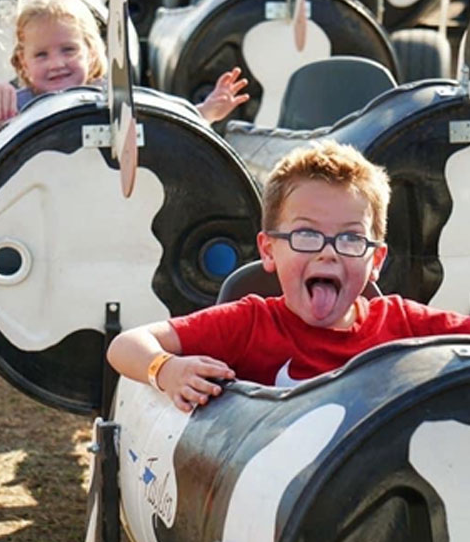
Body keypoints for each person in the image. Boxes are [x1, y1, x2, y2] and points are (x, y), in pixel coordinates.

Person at [107, 140, 470, 412]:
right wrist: (166, 370)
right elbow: (125, 346)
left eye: (351, 238)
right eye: (307, 235)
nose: (328, 251)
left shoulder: (403, 323)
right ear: (268, 250)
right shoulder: (250, 323)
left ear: (376, 259)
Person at [0, 0, 250, 142]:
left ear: (92, 53)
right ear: (23, 64)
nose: (56, 63)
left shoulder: (110, 97)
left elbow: (162, 118)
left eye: (68, 50)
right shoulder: (17, 106)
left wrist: (204, 112)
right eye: (41, 55)